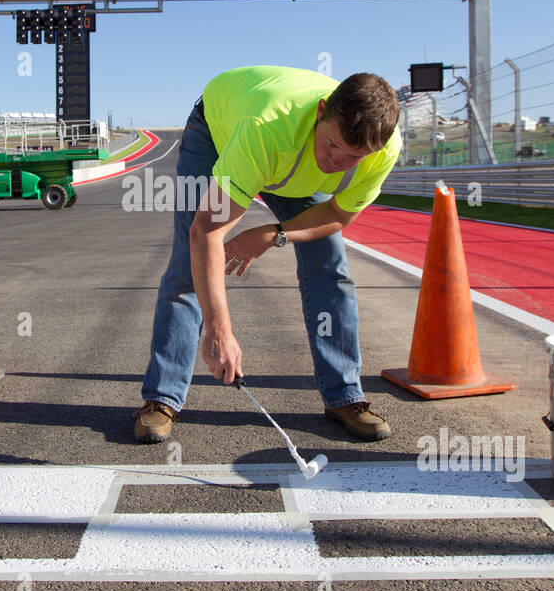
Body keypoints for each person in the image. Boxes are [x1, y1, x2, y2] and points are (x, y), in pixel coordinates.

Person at [137, 65, 402, 444]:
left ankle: (345, 396)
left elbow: (339, 214)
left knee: (330, 266)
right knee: (187, 266)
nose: (336, 162)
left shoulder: (384, 148)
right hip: (220, 131)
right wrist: (219, 332)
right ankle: (161, 398)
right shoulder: (265, 128)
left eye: (352, 157)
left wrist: (271, 234)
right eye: (332, 145)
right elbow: (207, 232)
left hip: (292, 165)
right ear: (321, 112)